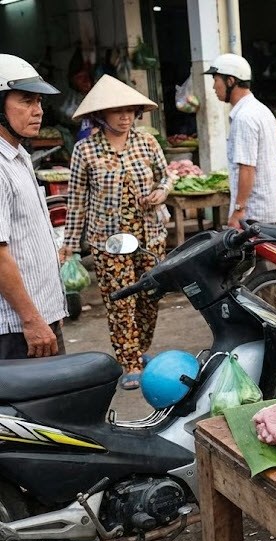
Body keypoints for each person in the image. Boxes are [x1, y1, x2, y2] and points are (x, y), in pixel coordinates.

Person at [63, 74, 170, 389]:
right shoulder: (85, 151)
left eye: (130, 110)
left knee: (151, 297)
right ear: (101, 115)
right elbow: (76, 202)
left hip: (150, 237)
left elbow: (166, 177)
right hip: (108, 242)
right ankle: (130, 362)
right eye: (117, 111)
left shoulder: (147, 142)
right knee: (121, 302)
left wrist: (161, 193)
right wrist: (69, 246)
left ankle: (141, 348)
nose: (125, 117)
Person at [0, 54, 67, 360]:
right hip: (17, 329)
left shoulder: (19, 155)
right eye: (26, 100)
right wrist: (32, 319)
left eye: (39, 101)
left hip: (39, 317)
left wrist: (52, 309)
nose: (38, 111)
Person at [204, 53, 276, 227]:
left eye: (215, 79)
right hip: (272, 209)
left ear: (230, 81)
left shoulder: (244, 118)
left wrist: (238, 210)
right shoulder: (261, 110)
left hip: (255, 215)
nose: (213, 87)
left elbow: (247, 168)